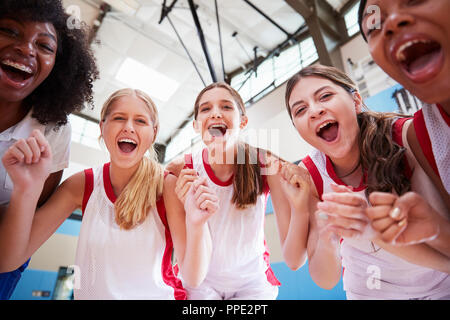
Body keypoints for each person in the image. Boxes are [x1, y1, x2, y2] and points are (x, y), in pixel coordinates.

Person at [0, 88, 218, 299]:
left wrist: (197, 225)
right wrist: (25, 189)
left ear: (154, 133)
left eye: (140, 121)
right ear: (102, 127)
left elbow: (192, 277)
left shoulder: (167, 186)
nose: (129, 128)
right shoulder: (81, 184)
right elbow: (9, 261)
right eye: (119, 118)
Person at [284, 64, 450, 299]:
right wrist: (326, 236)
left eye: (325, 96)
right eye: (300, 110)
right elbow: (326, 279)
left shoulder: (410, 136)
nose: (314, 111)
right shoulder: (309, 174)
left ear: (356, 101)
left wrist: (370, 228)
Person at [166, 82, 311, 300]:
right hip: (200, 283)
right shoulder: (180, 170)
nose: (215, 113)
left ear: (243, 121)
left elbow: (295, 260)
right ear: (196, 125)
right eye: (206, 109)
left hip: (252, 282)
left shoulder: (266, 166)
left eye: (226, 106)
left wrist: (302, 209)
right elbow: (188, 267)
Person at [0, 0, 98, 299]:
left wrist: (25, 192)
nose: (27, 49)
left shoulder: (53, 130)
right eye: (9, 31)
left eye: (44, 45)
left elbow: (22, 230)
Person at [357, 0, 450, 255]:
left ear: (356, 101)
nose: (392, 23)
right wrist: (437, 229)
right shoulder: (423, 135)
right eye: (374, 27)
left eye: (416, 0)